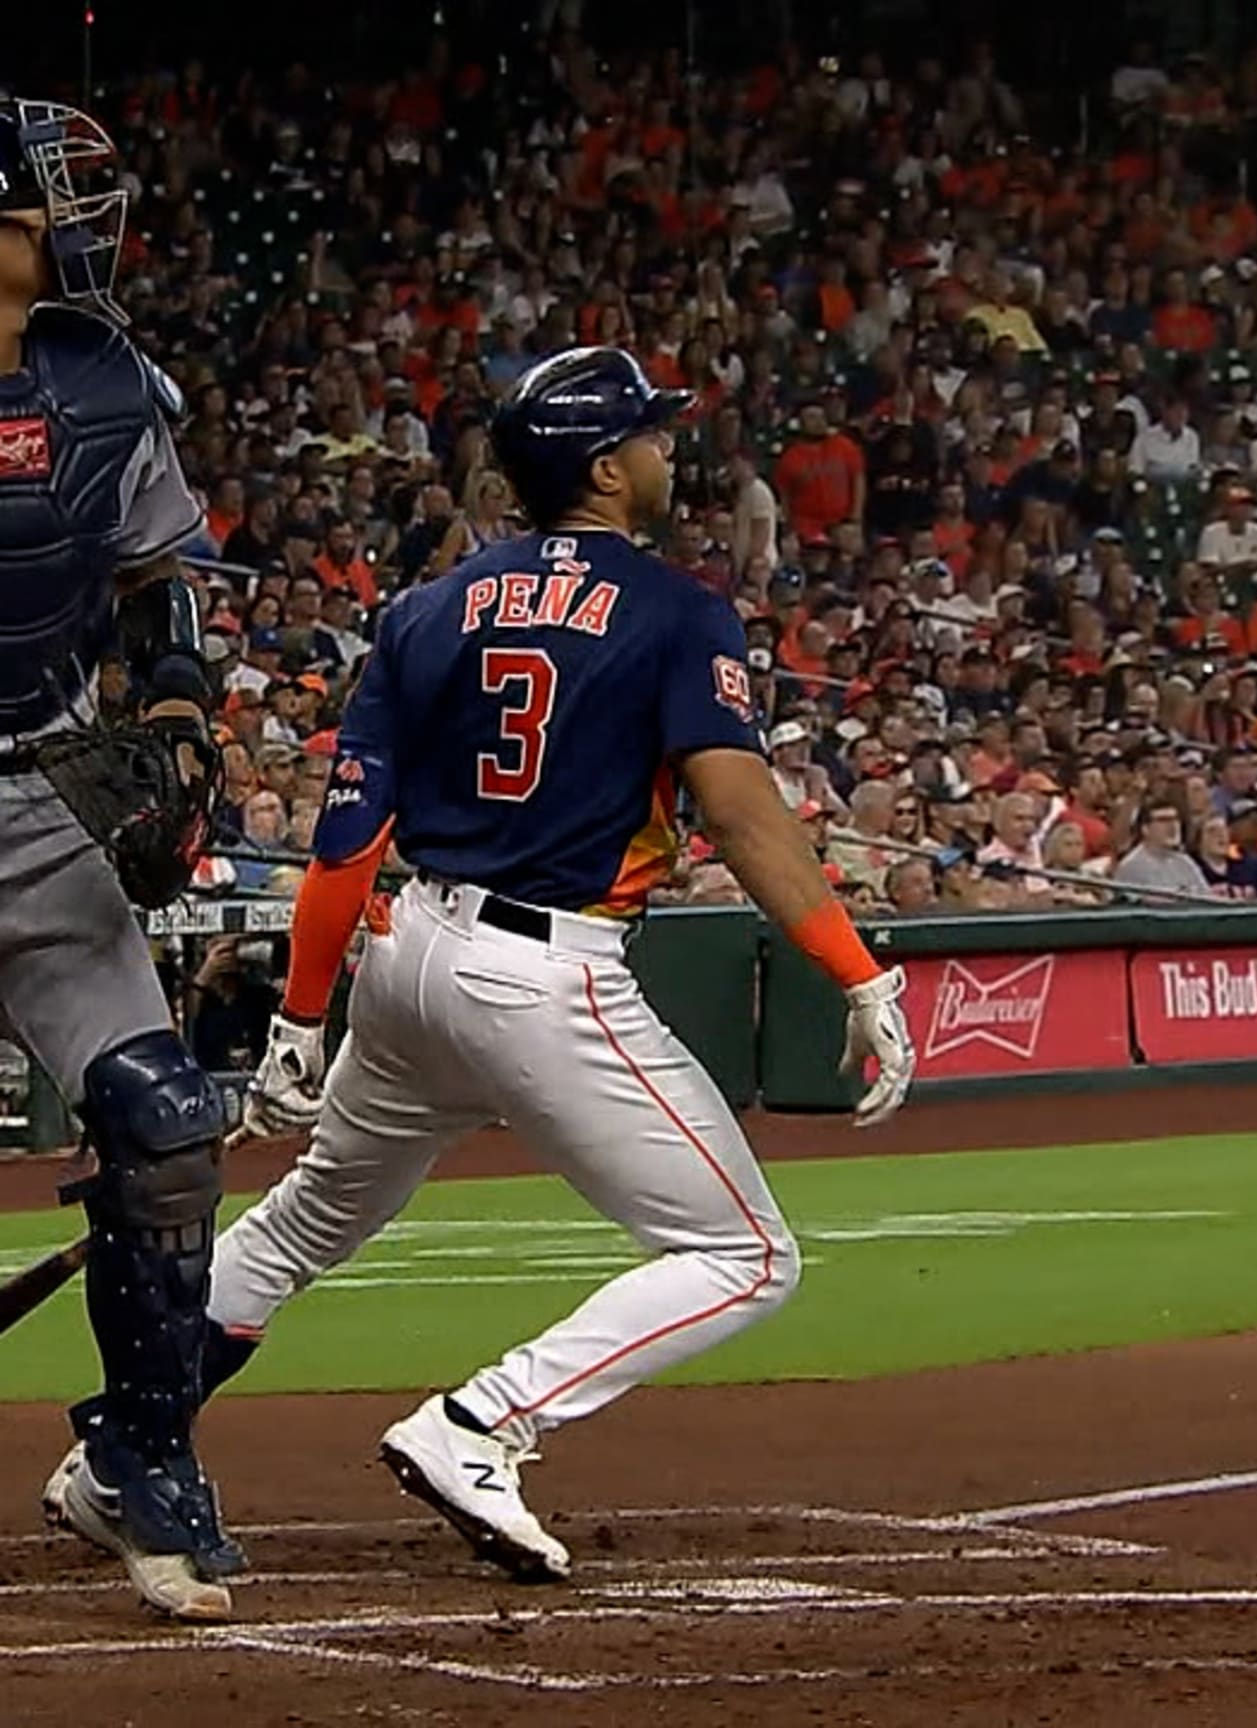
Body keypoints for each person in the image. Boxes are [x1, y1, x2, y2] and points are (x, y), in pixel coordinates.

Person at [164, 347, 920, 1587]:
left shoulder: (426, 608)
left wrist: (302, 1016)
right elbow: (736, 812)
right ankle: (481, 1424)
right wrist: (859, 971)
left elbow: (348, 838)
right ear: (607, 471)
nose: (667, 454)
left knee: (302, 1222)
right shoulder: (678, 610)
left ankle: (127, 1450)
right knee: (745, 1256)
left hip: (406, 956)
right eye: (652, 439)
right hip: (543, 971)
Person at [0, 94, 249, 1622]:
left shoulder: (106, 387)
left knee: (165, 1130)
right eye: (47, 202)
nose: (80, 225)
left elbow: (162, 588)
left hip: (38, 798)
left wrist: (175, 714)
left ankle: (139, 1464)